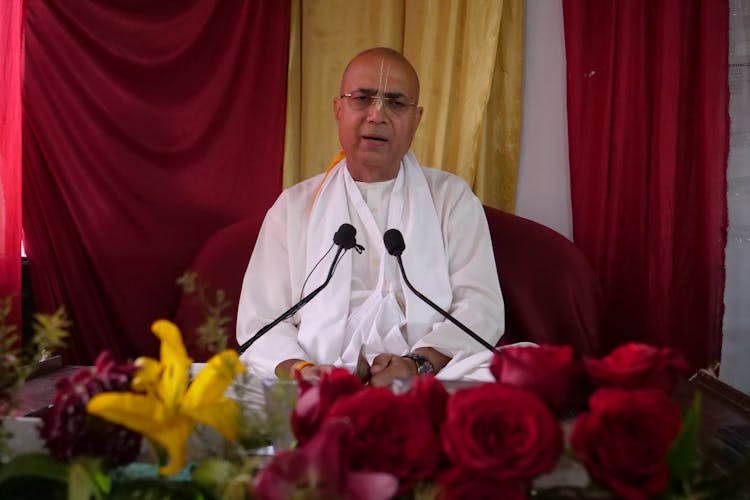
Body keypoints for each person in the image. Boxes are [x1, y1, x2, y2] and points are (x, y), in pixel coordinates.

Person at [237, 47, 504, 387]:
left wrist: (417, 364)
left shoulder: (451, 199)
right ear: (338, 109)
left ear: (417, 119)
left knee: (514, 373)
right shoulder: (293, 207)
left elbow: (481, 309)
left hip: (427, 378)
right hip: (318, 377)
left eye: (395, 103)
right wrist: (304, 371)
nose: (377, 115)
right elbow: (260, 322)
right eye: (362, 98)